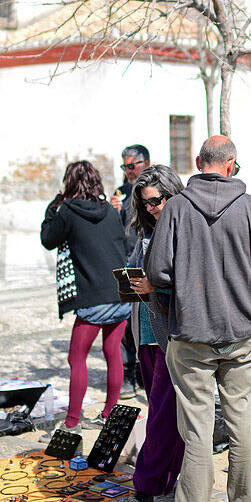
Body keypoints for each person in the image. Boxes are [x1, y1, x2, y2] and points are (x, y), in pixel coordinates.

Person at [146, 135, 251, 502]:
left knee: (198, 430)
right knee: (241, 424)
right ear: (231, 165)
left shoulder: (176, 208)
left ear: (198, 162)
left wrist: (186, 291)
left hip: (192, 334)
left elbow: (157, 272)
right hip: (241, 332)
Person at [40, 160, 130, 433]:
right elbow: (123, 245)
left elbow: (48, 239)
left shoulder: (66, 210)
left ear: (69, 183)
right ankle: (109, 413)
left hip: (93, 296)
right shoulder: (110, 210)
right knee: (112, 352)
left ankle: (71, 423)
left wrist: (53, 207)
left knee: (76, 359)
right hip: (121, 291)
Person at [120, 165, 186, 502]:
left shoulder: (185, 231)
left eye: (157, 200)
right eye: (145, 203)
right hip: (144, 331)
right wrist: (131, 281)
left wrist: (157, 286)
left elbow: (191, 281)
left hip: (172, 333)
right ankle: (169, 477)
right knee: (163, 410)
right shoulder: (145, 233)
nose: (152, 207)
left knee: (161, 412)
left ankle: (143, 489)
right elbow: (135, 270)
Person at [110, 144, 151, 398]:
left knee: (148, 321)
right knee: (126, 322)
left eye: (131, 166)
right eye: (124, 166)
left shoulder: (155, 186)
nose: (127, 171)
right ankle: (128, 372)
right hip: (127, 261)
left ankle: (145, 371)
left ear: (145, 162)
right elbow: (116, 230)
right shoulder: (121, 191)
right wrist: (112, 212)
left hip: (149, 262)